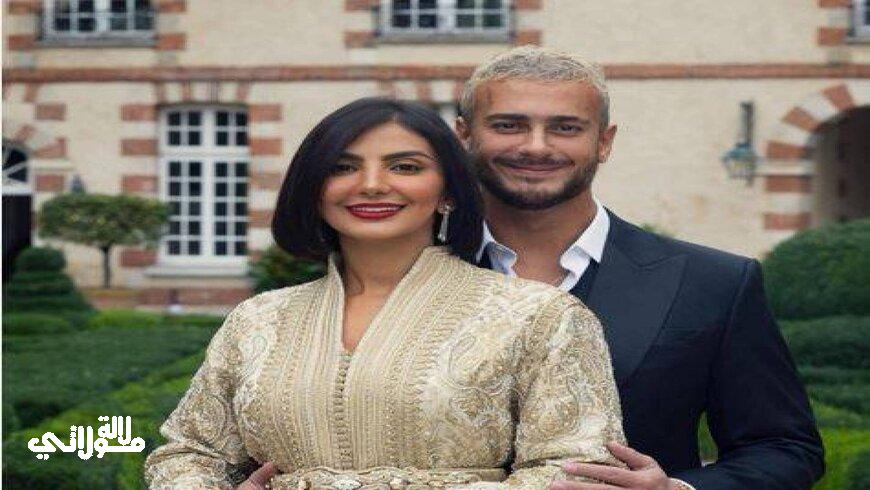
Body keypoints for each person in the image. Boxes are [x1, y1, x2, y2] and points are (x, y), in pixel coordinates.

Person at [144, 98, 627, 489]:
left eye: (405, 167)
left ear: (448, 191)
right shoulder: (258, 319)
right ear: (315, 188)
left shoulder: (539, 315)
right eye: (343, 167)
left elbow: (580, 470)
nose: (372, 185)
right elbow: (188, 452)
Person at [455, 46, 825, 490]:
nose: (536, 146)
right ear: (464, 135)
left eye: (566, 128)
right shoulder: (407, 271)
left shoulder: (712, 283)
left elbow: (785, 449)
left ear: (604, 142)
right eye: (508, 125)